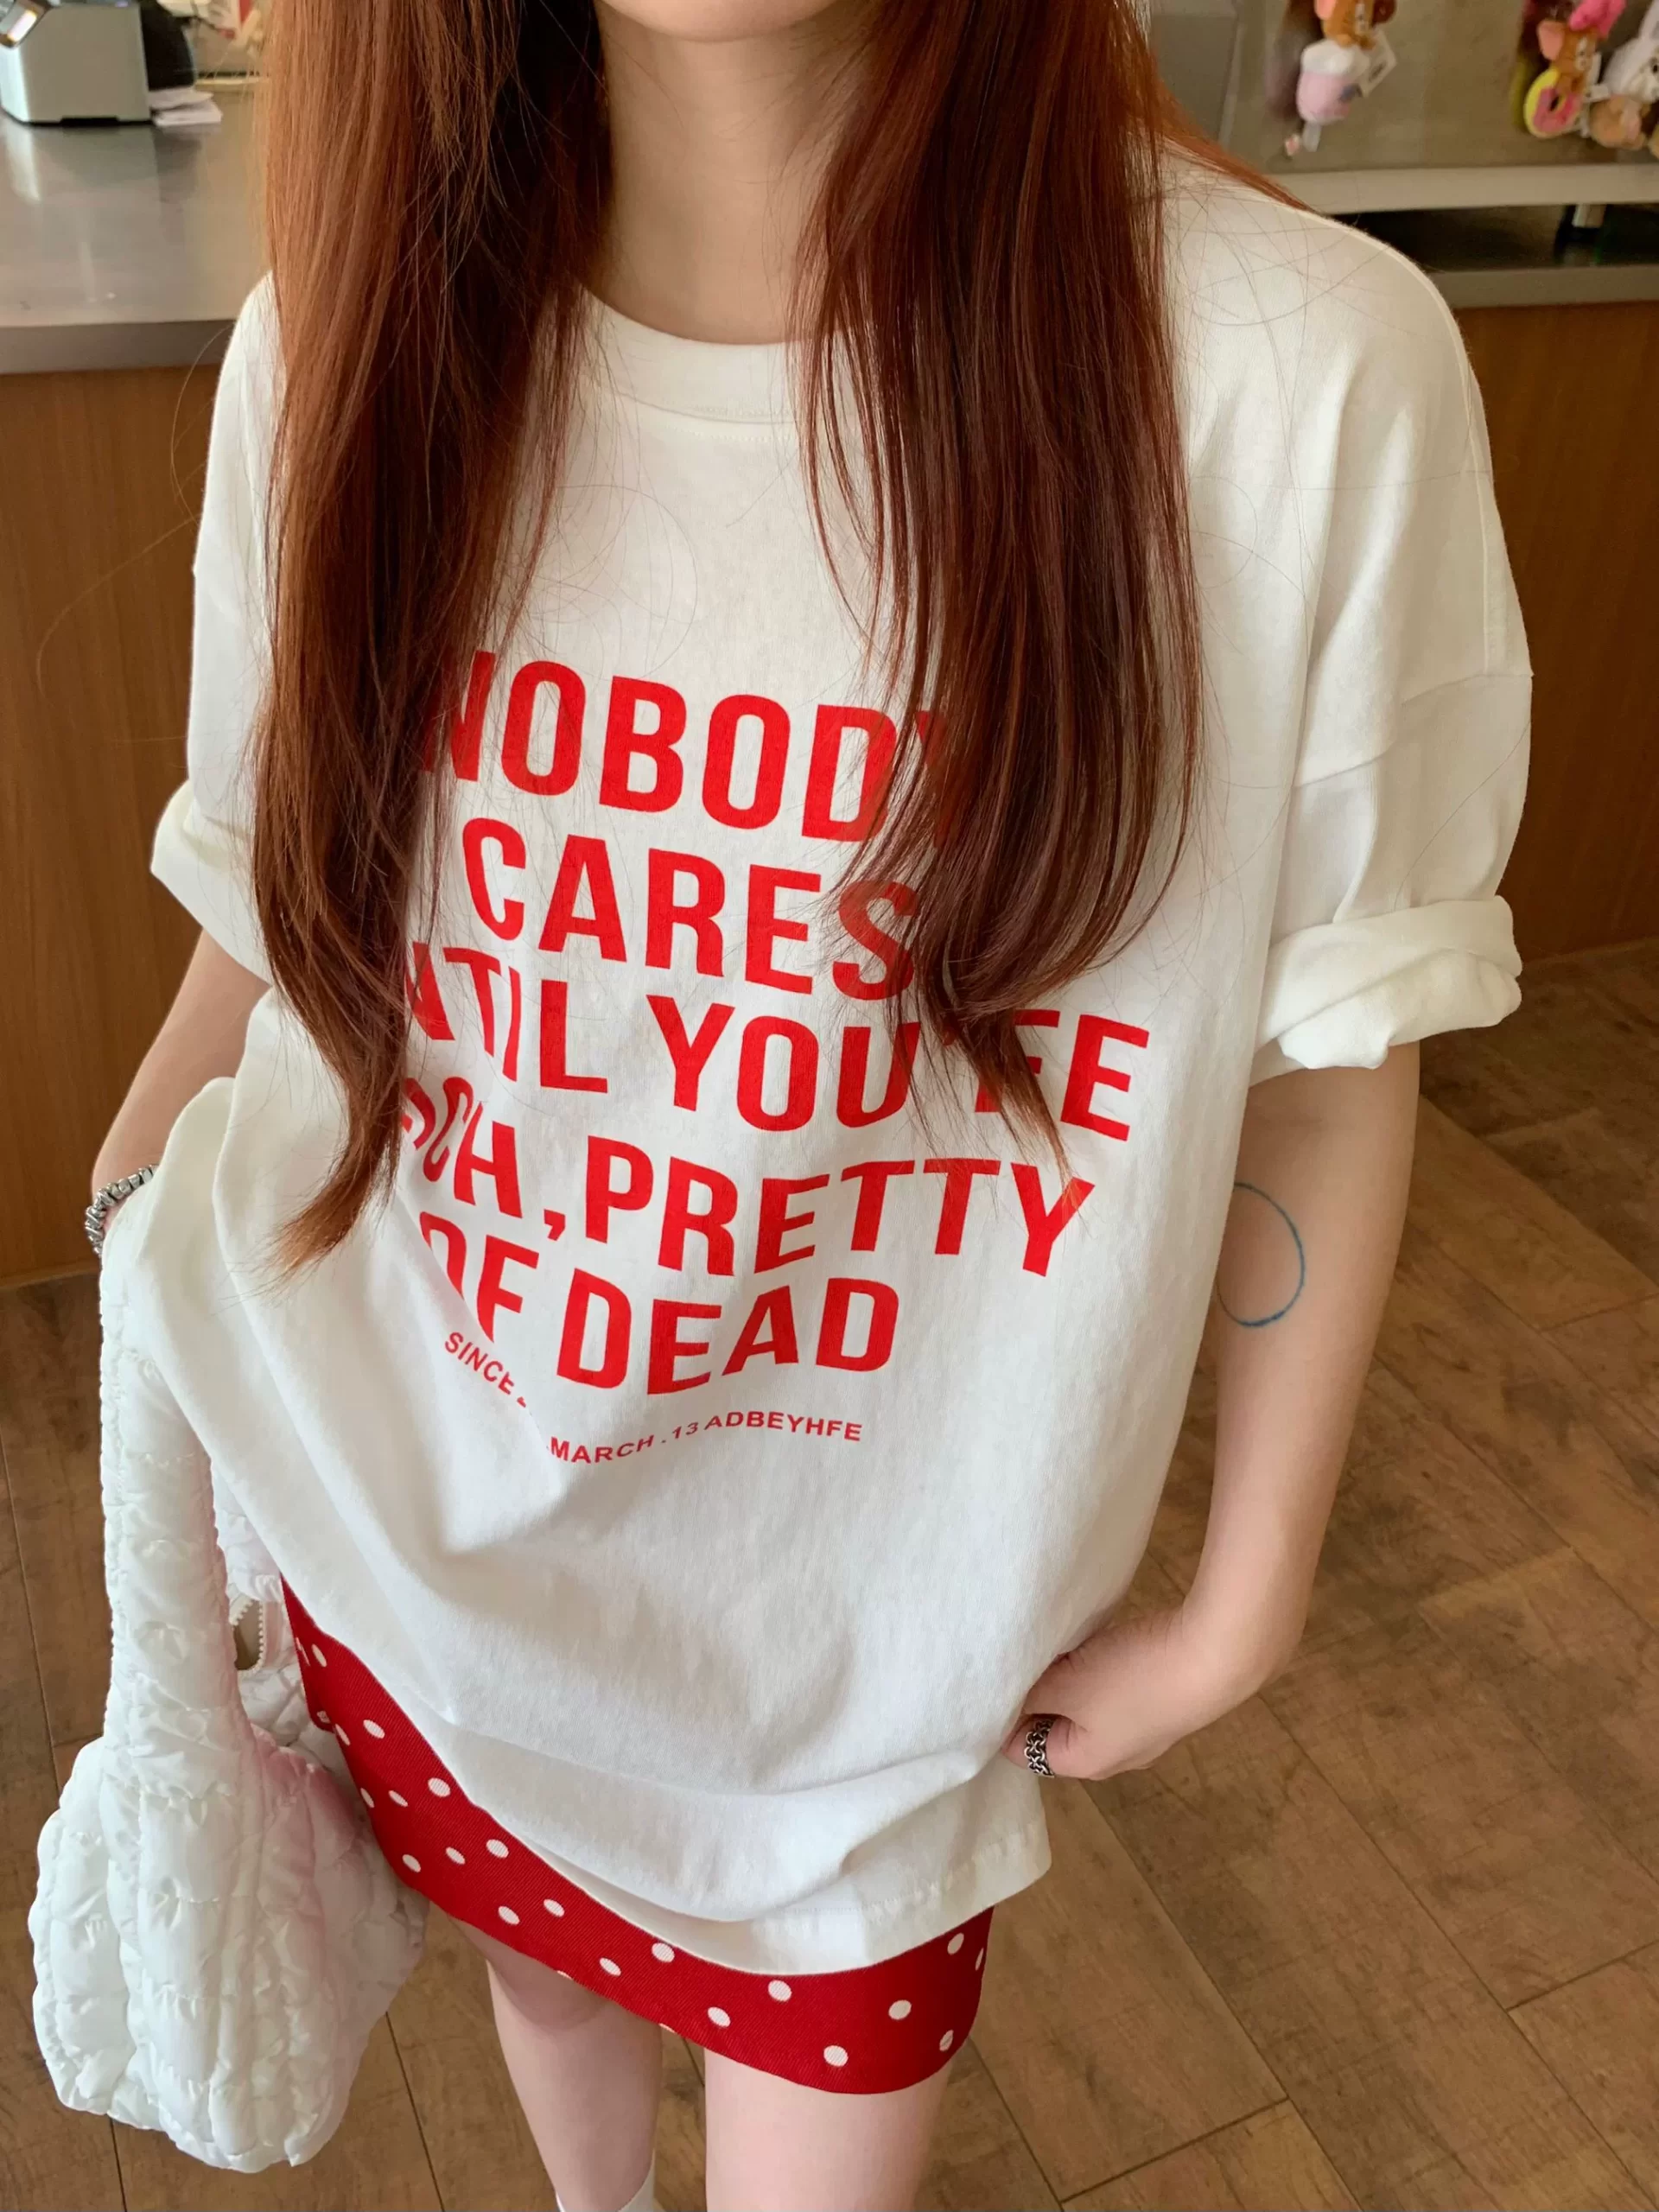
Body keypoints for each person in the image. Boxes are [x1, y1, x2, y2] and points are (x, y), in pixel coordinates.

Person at [86, 2, 1530, 2206]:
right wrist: (145, 1284)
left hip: (870, 1681)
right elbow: (278, 907)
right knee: (547, 1993)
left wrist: (1249, 1592)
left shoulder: (1302, 381)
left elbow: (1328, 1042)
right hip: (418, 1551)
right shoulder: (342, 342)